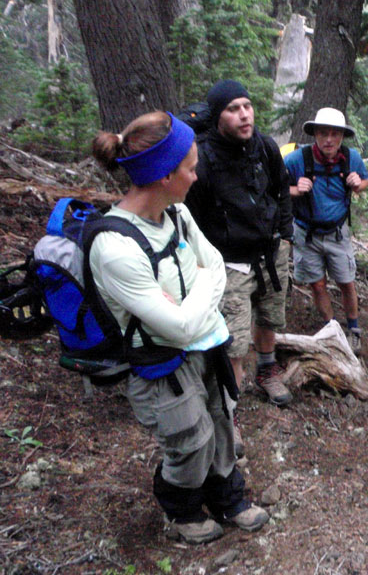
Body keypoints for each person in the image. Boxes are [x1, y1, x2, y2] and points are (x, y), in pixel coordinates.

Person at [90, 111, 267, 544]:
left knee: (221, 421)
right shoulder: (115, 248)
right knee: (190, 439)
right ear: (164, 175)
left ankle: (228, 497)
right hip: (161, 362)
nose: (197, 172)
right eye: (190, 166)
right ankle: (182, 510)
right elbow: (184, 323)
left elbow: (217, 273)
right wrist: (201, 289)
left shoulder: (177, 215)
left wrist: (193, 299)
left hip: (205, 345)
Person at [185, 80, 294, 430]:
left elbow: (281, 189)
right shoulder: (202, 159)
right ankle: (227, 412)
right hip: (228, 262)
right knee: (232, 339)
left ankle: (266, 370)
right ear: (218, 116)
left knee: (269, 317)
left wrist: (286, 234)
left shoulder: (263, 146)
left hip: (271, 252)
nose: (244, 114)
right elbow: (192, 217)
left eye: (247, 105)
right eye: (234, 109)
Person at [283, 108, 368, 355]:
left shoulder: (351, 158)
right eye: (323, 133)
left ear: (342, 136)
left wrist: (358, 184)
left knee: (346, 282)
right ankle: (331, 330)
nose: (329, 139)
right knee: (317, 285)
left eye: (335, 134)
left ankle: (353, 330)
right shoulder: (296, 160)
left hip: (338, 232)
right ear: (315, 134)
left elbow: (364, 181)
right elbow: (274, 187)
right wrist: (294, 190)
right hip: (305, 233)